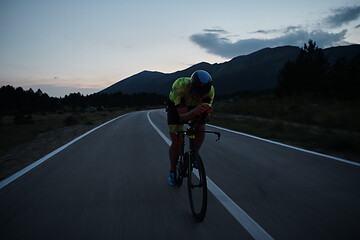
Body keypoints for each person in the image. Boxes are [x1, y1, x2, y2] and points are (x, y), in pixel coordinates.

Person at [167, 70, 215, 186]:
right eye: (197, 94)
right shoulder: (180, 86)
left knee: (201, 127)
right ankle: (172, 171)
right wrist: (194, 113)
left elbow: (206, 117)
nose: (200, 97)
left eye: (202, 95)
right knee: (177, 141)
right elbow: (182, 118)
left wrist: (206, 115)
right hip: (176, 107)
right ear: (191, 87)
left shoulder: (210, 91)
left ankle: (193, 156)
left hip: (194, 107)